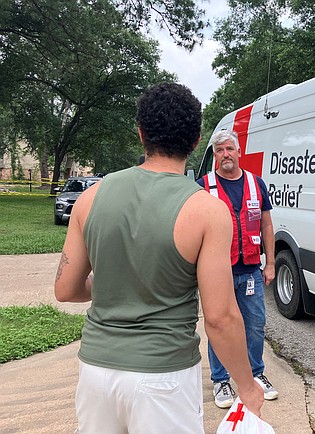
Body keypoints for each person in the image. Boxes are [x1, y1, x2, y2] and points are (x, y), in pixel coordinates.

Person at [54, 83, 264, 433]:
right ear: (197, 140)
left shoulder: (91, 197)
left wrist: (114, 281)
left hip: (96, 371)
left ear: (141, 134)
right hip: (163, 376)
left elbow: (65, 289)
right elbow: (220, 317)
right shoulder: (207, 211)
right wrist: (246, 384)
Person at [196, 129, 277, 408]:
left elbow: (266, 224)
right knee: (219, 324)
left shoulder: (257, 184)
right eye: (219, 151)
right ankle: (221, 380)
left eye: (229, 149)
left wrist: (271, 263)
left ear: (239, 151)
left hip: (251, 268)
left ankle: (256, 375)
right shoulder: (203, 185)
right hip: (217, 271)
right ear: (215, 155)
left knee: (254, 324)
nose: (225, 155)